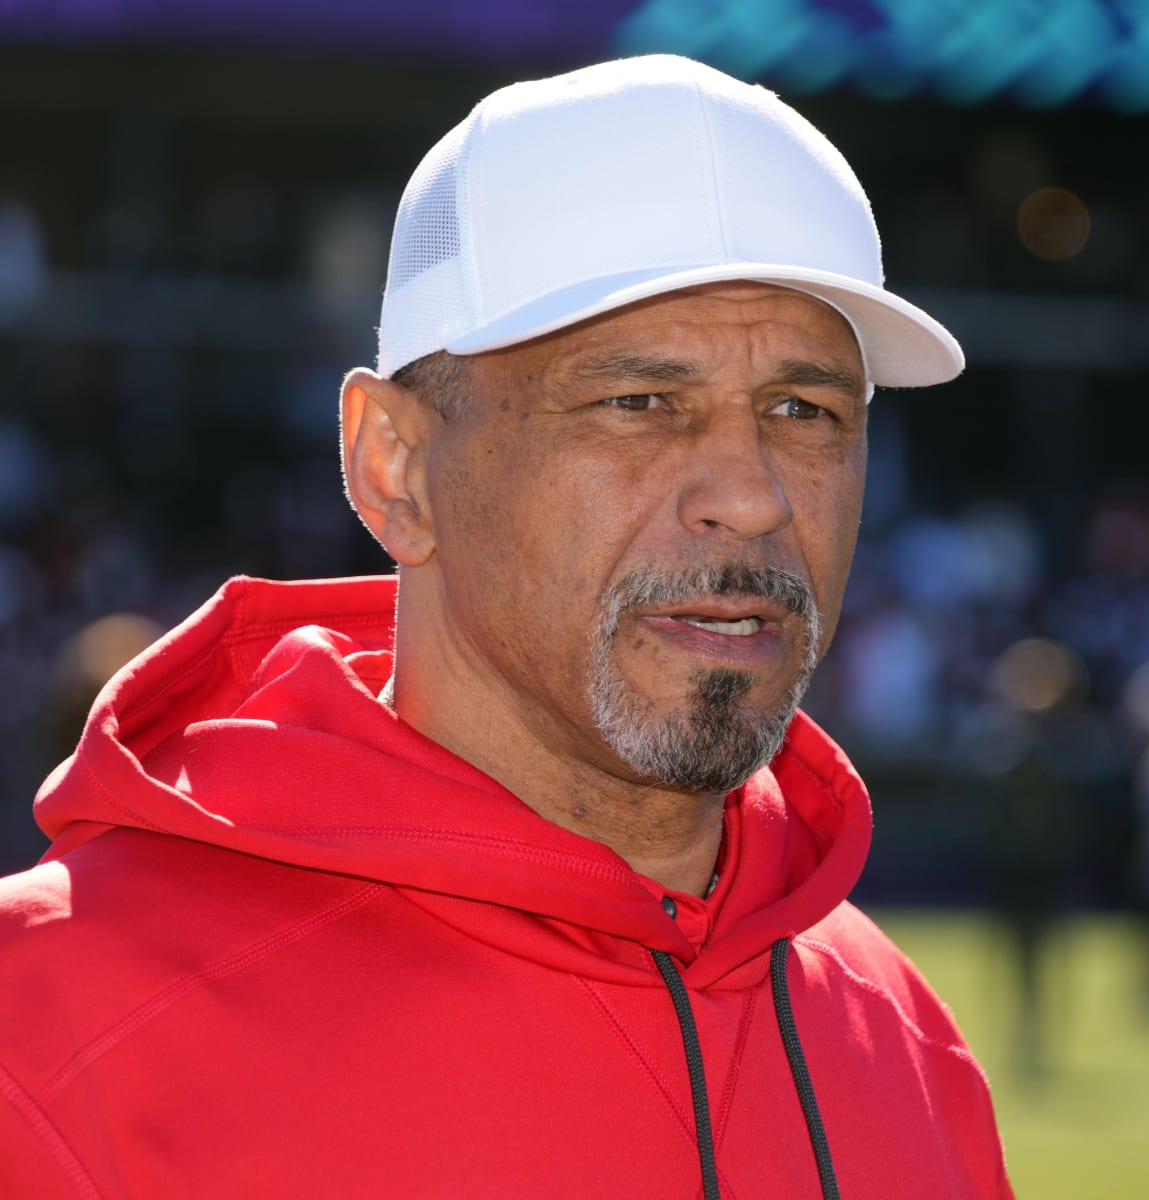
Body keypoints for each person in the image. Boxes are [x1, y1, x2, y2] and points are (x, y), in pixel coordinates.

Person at [0, 55, 1012, 1198]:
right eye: (639, 404)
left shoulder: (906, 1045)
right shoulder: (47, 1031)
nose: (754, 493)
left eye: (803, 409)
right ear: (395, 467)